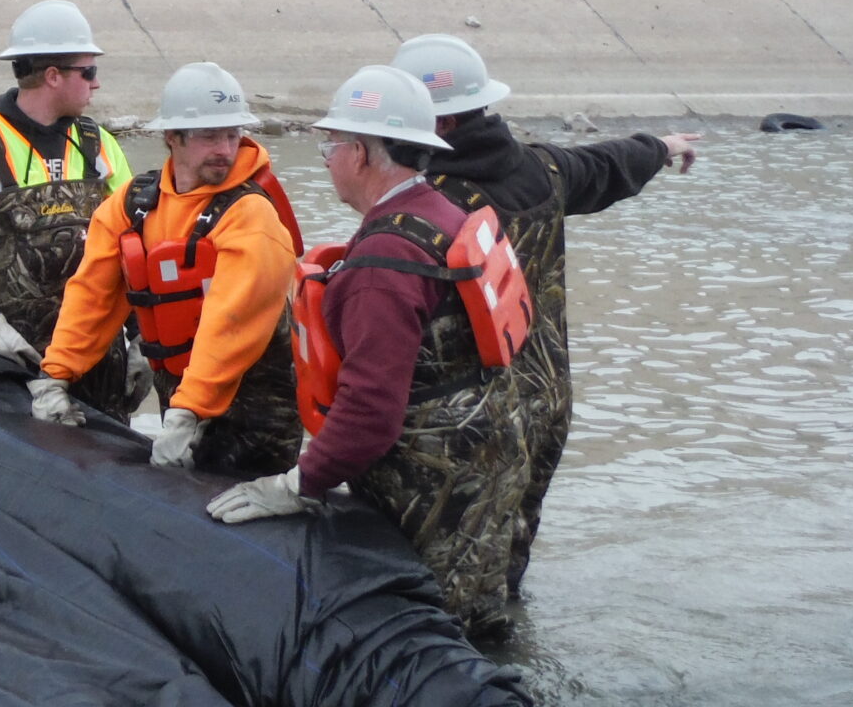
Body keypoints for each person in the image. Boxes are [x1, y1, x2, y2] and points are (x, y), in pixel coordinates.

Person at [207, 65, 532, 641]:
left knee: (426, 640)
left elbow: (371, 412)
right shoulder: (439, 212)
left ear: (359, 153)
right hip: (491, 450)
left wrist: (297, 485)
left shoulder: (384, 260)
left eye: (330, 145)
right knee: (482, 621)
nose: (326, 157)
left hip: (434, 479)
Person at [392, 34, 697, 599]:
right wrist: (661, 144)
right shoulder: (542, 169)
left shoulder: (426, 204)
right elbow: (607, 164)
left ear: (440, 126)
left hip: (469, 419)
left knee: (444, 586)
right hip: (546, 402)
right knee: (507, 561)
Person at [29, 63, 304, 473]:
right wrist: (56, 375)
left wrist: (188, 412)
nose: (225, 150)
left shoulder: (252, 215)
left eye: (233, 135)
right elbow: (92, 295)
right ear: (172, 137)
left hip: (256, 404)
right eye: (210, 136)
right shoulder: (134, 203)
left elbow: (231, 324)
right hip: (178, 389)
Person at [0, 1, 136, 414]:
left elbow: (131, 247)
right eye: (88, 71)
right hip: (13, 367)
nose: (97, 83)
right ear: (53, 76)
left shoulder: (98, 144)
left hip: (100, 364)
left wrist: (141, 336)